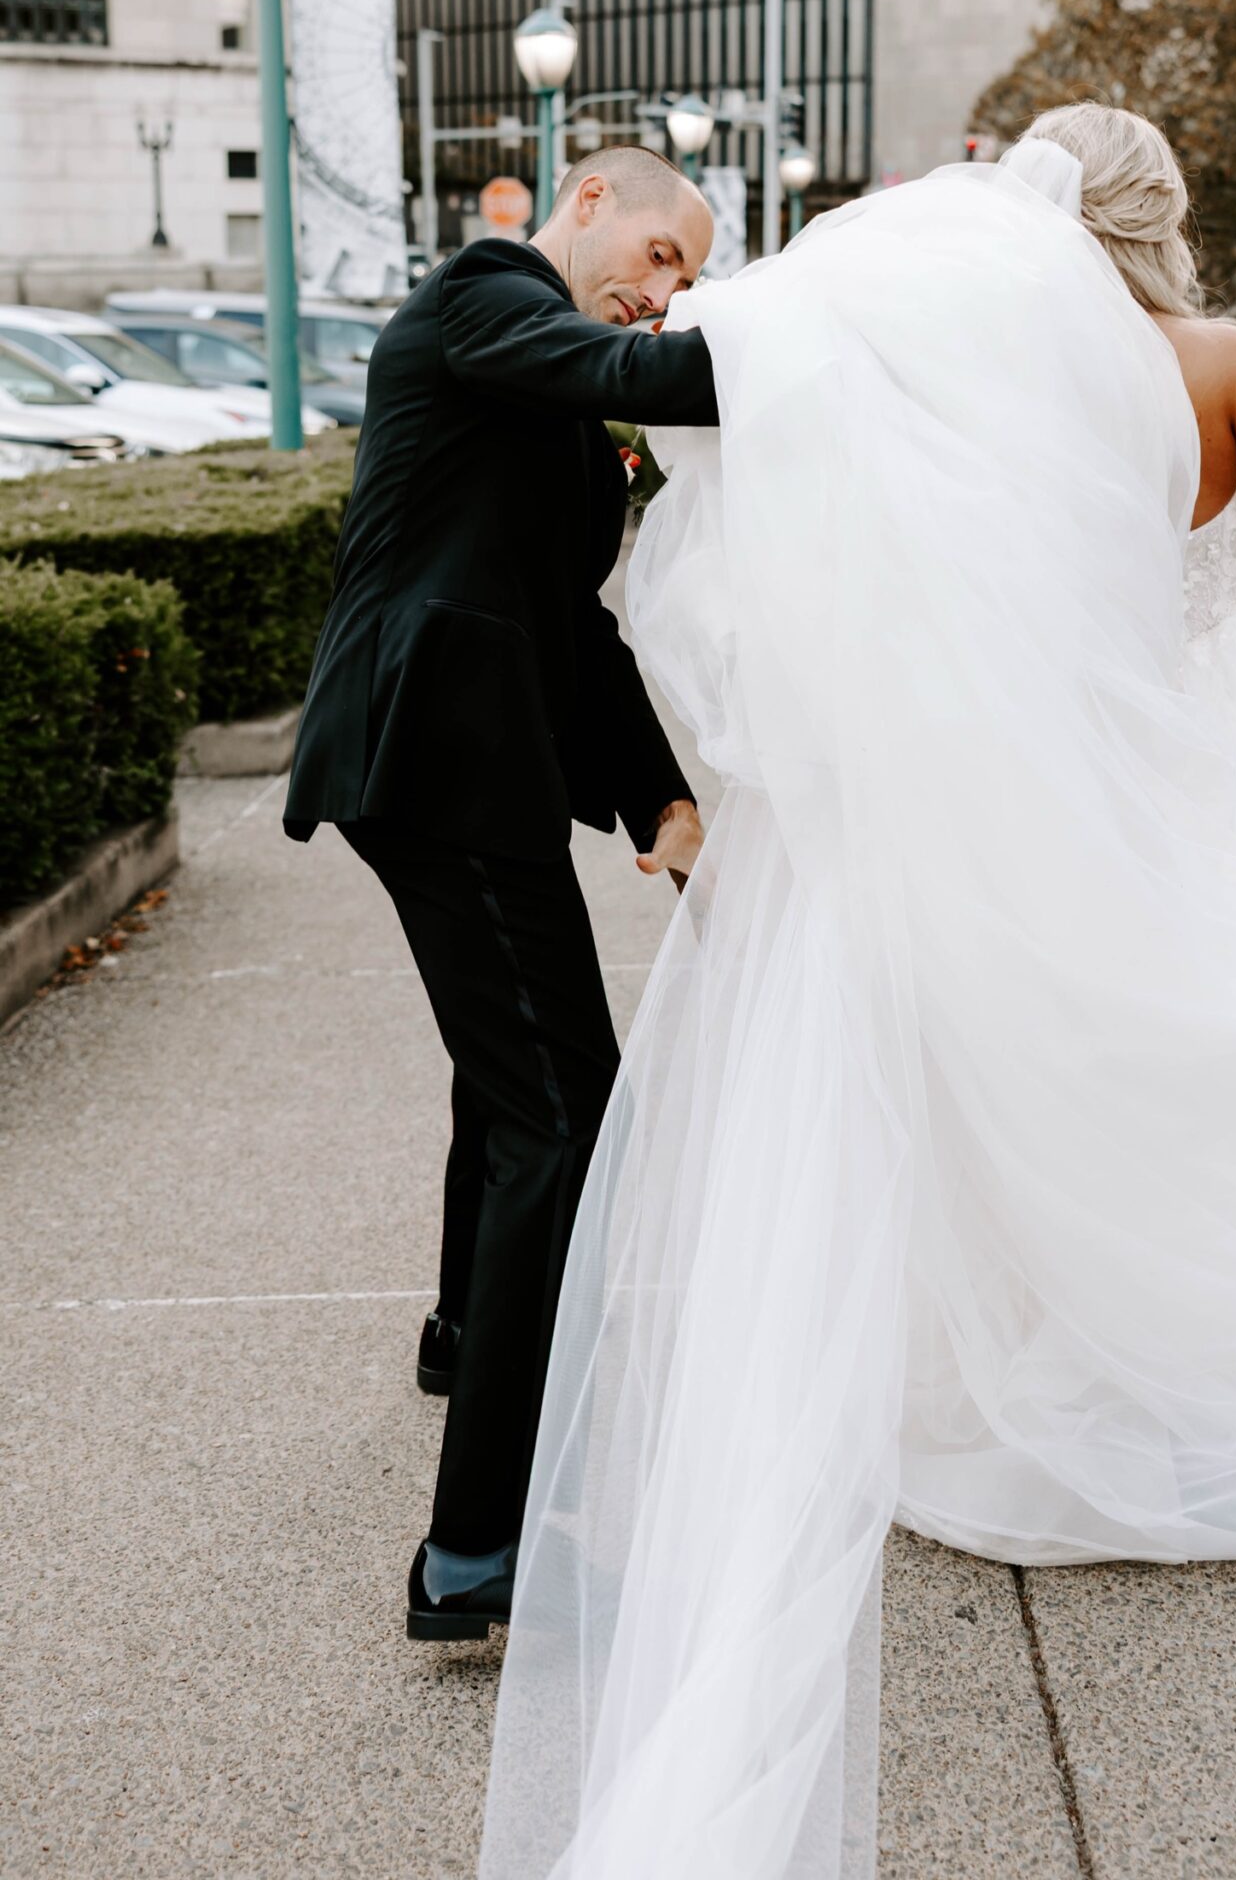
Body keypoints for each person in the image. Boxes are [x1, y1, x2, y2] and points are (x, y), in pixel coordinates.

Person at [480, 111, 1236, 1880]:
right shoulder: (1211, 361)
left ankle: (1043, 1370)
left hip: (1026, 782)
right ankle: (1215, 1374)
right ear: (1166, 220)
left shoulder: (944, 371)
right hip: (1208, 754)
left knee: (1041, 1061)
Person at [282, 148, 720, 1640]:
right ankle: (476, 1552)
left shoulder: (548, 397)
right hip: (439, 751)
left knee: (510, 1081)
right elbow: (625, 369)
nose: (661, 297)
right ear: (588, 202)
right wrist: (819, 358)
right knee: (564, 1110)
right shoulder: (488, 291)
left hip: (465, 758)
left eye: (683, 284)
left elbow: (569, 626)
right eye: (660, 256)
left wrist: (663, 799)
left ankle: (469, 1332)